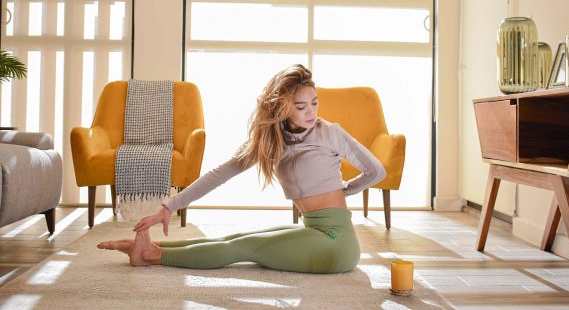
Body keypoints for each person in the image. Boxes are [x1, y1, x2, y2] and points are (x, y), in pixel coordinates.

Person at [98, 64, 386, 273]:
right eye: (301, 106)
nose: (311, 112)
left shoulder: (330, 132)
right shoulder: (273, 141)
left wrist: (341, 192)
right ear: (283, 107)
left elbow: (377, 172)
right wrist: (169, 206)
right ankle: (148, 247)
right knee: (234, 239)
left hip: (336, 242)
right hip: (314, 230)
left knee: (244, 249)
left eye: (314, 102)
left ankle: (151, 257)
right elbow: (219, 174)